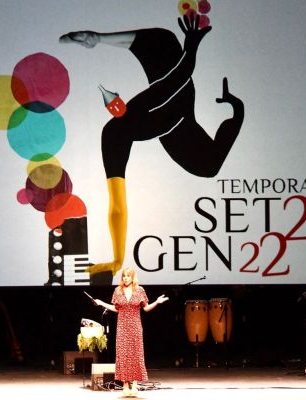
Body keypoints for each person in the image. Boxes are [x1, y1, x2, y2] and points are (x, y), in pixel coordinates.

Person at [60, 14, 245, 279]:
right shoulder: (114, 133)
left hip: (177, 107)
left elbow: (182, 72)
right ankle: (236, 112)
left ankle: (94, 38)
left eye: (115, 103)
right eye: (114, 105)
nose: (116, 104)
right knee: (209, 167)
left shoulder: (138, 110)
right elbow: (117, 206)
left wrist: (99, 38)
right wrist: (117, 258)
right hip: (175, 122)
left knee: (163, 40)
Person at [93, 267, 169, 397]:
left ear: (133, 277)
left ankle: (134, 384)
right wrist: (102, 303)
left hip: (135, 327)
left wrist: (157, 302)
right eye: (124, 276)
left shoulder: (140, 290)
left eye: (128, 276)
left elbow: (146, 309)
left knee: (135, 354)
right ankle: (125, 384)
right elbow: (116, 308)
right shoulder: (118, 291)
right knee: (123, 355)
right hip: (122, 326)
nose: (125, 278)